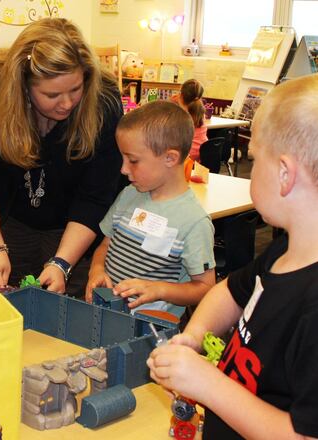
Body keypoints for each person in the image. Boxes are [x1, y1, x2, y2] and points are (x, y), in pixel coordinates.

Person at [147, 74, 318, 440]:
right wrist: (193, 337)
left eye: (254, 159)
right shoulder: (287, 250)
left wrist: (208, 383)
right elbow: (230, 292)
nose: (251, 170)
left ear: (285, 174)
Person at [0, 18, 123, 292]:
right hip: (9, 219)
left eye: (75, 89)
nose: (67, 103)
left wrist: (62, 263)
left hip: (77, 228)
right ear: (23, 85)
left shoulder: (103, 101)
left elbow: (96, 196)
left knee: (67, 305)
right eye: (52, 94)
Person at [84, 101, 215, 317]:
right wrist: (96, 270)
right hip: (107, 315)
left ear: (170, 158)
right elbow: (105, 245)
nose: (123, 169)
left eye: (133, 160)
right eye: (123, 158)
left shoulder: (194, 222)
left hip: (150, 328)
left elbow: (205, 287)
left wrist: (159, 290)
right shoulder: (129, 195)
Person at [171, 79, 208, 161]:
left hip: (185, 156)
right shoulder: (200, 111)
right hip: (201, 154)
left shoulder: (180, 114)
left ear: (181, 95)